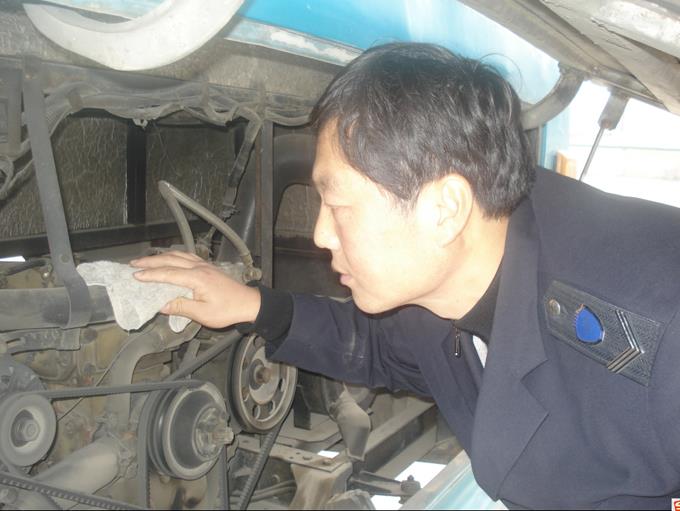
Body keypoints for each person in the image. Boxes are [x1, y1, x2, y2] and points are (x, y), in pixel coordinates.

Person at [131, 43, 680, 509]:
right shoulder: (458, 277)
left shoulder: (660, 323)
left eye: (337, 206)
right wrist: (250, 305)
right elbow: (380, 346)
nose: (320, 235)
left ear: (445, 208)